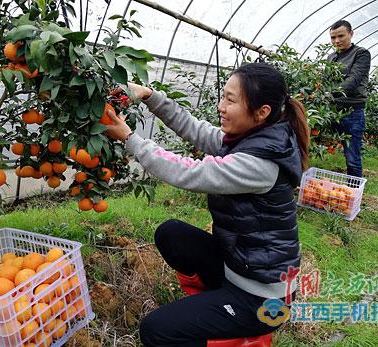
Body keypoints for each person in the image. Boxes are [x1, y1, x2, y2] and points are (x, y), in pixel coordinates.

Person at [105, 62, 309, 346]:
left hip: (262, 298)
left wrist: (129, 138)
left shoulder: (260, 164)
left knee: (156, 330)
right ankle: (213, 308)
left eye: (231, 100)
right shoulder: (253, 138)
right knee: (172, 233)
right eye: (223, 96)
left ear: (262, 112)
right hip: (239, 269)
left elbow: (189, 172)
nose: (221, 106)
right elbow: (197, 130)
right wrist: (150, 96)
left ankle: (235, 330)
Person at [328, 19, 371, 177]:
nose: (337, 41)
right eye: (333, 38)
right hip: (332, 110)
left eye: (341, 36)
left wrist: (329, 94)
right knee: (322, 143)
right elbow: (327, 81)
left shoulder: (361, 54)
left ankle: (353, 193)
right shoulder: (331, 57)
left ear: (351, 34)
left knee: (352, 155)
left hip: (352, 111)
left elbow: (353, 80)